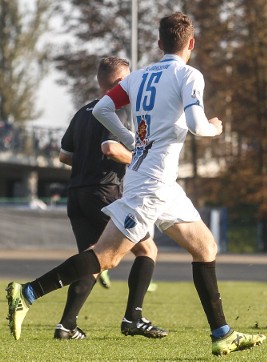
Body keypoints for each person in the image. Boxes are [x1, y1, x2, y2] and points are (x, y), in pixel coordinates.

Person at [6, 12, 265, 356]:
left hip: (159, 181)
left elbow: (101, 109)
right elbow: (196, 124)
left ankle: (222, 333)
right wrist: (216, 127)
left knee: (205, 247)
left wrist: (132, 138)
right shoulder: (188, 75)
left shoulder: (139, 76)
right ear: (191, 43)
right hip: (152, 184)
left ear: (159, 44)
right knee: (106, 258)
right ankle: (27, 294)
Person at [56, 57, 166, 340]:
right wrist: (142, 160)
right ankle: (134, 318)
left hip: (77, 194)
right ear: (119, 83)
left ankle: (66, 326)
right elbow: (110, 148)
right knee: (147, 250)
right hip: (104, 192)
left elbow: (64, 155)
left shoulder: (82, 112)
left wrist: (87, 164)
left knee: (92, 260)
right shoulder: (117, 109)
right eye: (128, 80)